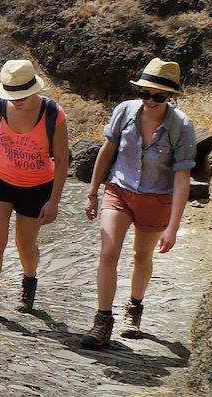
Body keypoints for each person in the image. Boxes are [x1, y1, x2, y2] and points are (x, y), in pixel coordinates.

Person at [79, 58, 197, 349]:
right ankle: (103, 321)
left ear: (170, 97)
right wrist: (93, 192)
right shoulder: (124, 111)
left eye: (158, 96)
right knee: (108, 252)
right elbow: (107, 152)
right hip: (119, 190)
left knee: (141, 257)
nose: (149, 101)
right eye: (144, 93)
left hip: (156, 198)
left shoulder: (181, 126)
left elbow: (182, 178)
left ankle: (134, 308)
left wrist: (173, 226)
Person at [0, 59, 69, 321]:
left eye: (22, 94)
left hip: (36, 186)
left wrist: (54, 201)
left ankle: (29, 281)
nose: (17, 100)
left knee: (25, 245)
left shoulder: (52, 114)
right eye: (12, 94)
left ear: (34, 89)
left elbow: (61, 160)